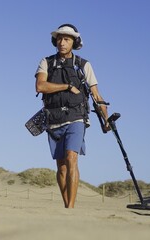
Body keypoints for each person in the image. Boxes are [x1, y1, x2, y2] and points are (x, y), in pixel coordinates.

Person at [35, 23, 109, 208]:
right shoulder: (46, 62)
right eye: (59, 38)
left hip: (77, 117)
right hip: (53, 119)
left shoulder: (84, 65)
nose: (62, 42)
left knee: (71, 158)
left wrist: (106, 119)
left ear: (74, 42)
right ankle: (66, 203)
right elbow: (40, 86)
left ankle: (71, 209)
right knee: (61, 168)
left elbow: (97, 95)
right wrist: (67, 86)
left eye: (66, 39)